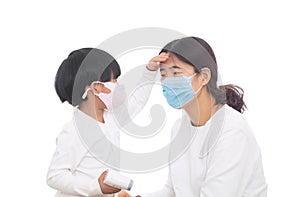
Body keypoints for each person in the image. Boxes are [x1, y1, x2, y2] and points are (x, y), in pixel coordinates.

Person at [119, 37, 267, 197]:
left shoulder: (231, 131)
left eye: (176, 72)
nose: (168, 81)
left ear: (204, 76)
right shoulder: (179, 127)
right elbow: (172, 190)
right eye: (163, 74)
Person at [47, 48, 164, 197]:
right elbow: (55, 176)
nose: (118, 85)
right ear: (96, 88)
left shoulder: (111, 117)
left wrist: (149, 72)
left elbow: (137, 102)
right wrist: (96, 187)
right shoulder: (74, 131)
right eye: (114, 80)